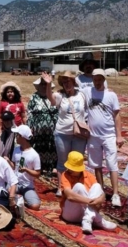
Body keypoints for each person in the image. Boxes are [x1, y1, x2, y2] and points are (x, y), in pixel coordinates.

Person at [86, 68, 124, 206]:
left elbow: (117, 115)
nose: (97, 82)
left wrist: (119, 135)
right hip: (93, 136)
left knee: (112, 164)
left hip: (108, 135)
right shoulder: (87, 92)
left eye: (100, 79)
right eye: (95, 79)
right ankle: (100, 190)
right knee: (97, 165)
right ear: (92, 79)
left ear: (104, 79)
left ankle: (115, 194)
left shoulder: (111, 95)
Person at [50, 71, 89, 197]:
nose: (67, 84)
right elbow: (50, 99)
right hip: (62, 133)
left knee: (77, 161)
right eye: (64, 82)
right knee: (62, 161)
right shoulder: (60, 95)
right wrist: (47, 84)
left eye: (69, 81)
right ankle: (61, 187)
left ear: (74, 82)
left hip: (79, 134)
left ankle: (77, 186)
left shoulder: (82, 95)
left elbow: (91, 107)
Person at [60, 151, 117, 234]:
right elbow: (70, 196)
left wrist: (100, 199)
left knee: (97, 186)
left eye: (72, 168)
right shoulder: (65, 175)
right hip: (70, 213)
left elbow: (101, 193)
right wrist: (91, 201)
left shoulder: (89, 175)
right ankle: (99, 220)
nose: (69, 170)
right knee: (79, 186)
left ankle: (87, 219)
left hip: (84, 211)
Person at [6, 125, 42, 216]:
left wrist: (26, 170)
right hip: (15, 183)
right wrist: (7, 161)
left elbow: (37, 173)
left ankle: (21, 202)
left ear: (22, 137)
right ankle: (17, 199)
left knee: (35, 206)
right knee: (4, 194)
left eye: (17, 135)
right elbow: (14, 166)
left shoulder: (34, 155)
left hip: (27, 186)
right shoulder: (16, 149)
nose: (16, 137)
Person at [27, 73, 58, 177]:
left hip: (53, 128)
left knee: (52, 147)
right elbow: (29, 113)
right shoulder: (34, 97)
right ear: (39, 86)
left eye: (46, 84)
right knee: (39, 147)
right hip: (38, 129)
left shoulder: (54, 96)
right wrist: (30, 126)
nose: (44, 86)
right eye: (42, 84)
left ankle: (52, 167)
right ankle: (40, 167)